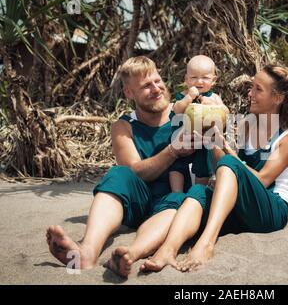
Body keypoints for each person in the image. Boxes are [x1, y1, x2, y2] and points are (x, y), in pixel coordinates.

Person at [139, 64, 288, 273]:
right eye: (252, 87)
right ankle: (167, 250)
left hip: (269, 210)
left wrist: (227, 148)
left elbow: (262, 180)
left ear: (278, 98)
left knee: (231, 163)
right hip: (240, 208)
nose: (250, 93)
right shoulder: (248, 125)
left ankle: (206, 244)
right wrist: (213, 138)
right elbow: (222, 167)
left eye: (258, 89)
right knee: (198, 191)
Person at [45, 56, 196, 278]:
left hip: (174, 203)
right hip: (138, 203)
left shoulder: (186, 112)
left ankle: (129, 255)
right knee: (118, 174)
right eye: (146, 86)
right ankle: (87, 251)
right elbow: (135, 170)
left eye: (157, 81)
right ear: (129, 93)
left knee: (178, 200)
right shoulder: (124, 125)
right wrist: (172, 150)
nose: (156, 89)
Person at [169, 55, 229, 192]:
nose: (199, 81)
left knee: (203, 165)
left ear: (213, 80)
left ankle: (197, 193)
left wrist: (214, 105)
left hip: (203, 141)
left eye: (205, 78)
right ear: (186, 79)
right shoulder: (183, 95)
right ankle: (176, 193)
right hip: (182, 138)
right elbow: (177, 110)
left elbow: (226, 113)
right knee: (176, 165)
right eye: (193, 77)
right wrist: (189, 97)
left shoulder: (214, 97)